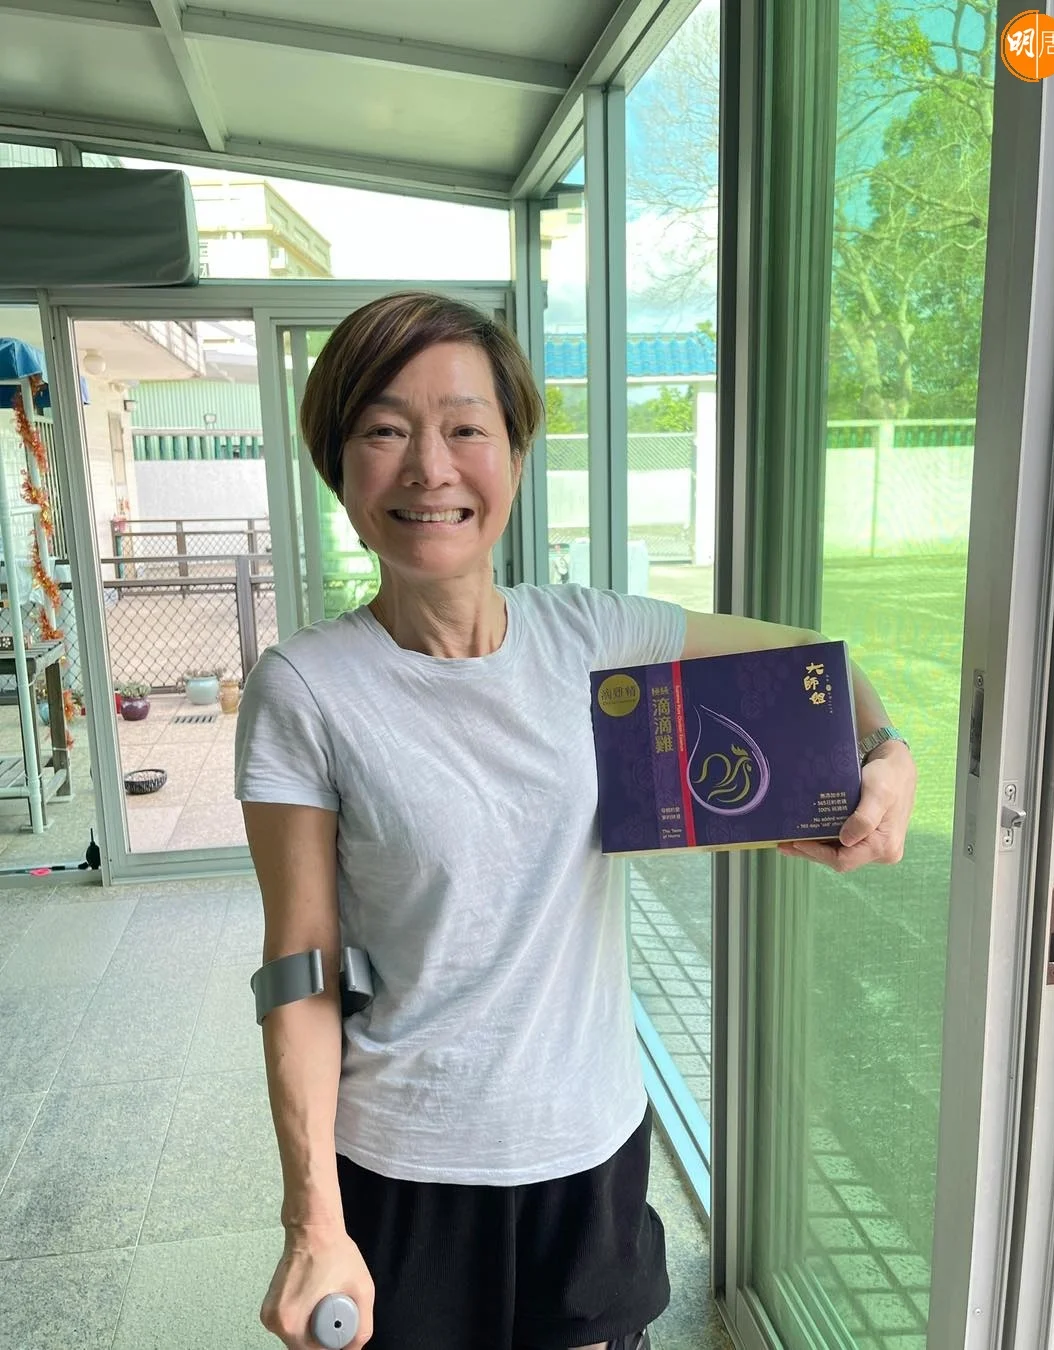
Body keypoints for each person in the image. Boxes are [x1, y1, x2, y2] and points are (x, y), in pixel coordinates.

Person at [234, 292, 917, 1350]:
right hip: (408, 1164)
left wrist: (887, 753)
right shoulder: (307, 688)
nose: (430, 467)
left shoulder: (591, 635)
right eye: (384, 429)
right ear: (338, 463)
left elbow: (815, 669)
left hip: (590, 1149)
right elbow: (299, 969)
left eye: (467, 427)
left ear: (513, 454)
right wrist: (313, 1221)